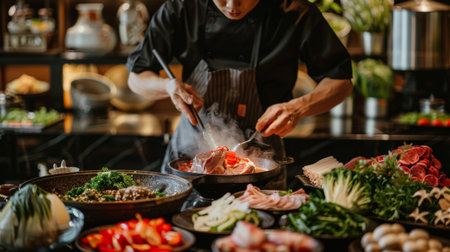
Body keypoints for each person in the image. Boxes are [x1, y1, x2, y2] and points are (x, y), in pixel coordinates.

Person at [126, 0, 353, 188]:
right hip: (190, 155)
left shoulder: (294, 12)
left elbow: (341, 81)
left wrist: (298, 107)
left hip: (262, 163)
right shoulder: (183, 7)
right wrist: (167, 87)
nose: (233, 5)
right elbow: (136, 78)